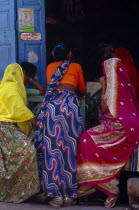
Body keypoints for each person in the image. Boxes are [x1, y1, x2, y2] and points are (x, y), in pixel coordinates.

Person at [77, 44, 139, 208]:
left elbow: (105, 107)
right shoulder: (126, 83)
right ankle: (104, 187)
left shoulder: (114, 84)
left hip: (119, 128)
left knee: (86, 138)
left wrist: (103, 86)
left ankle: (96, 185)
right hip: (127, 127)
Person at [34, 43, 86, 208]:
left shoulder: (50, 67)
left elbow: (50, 86)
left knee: (52, 150)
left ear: (53, 56)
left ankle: (55, 195)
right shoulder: (76, 66)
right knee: (70, 150)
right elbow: (82, 90)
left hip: (53, 108)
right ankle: (70, 194)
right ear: (69, 54)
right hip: (70, 107)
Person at [0, 63, 39, 203]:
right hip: (5, 127)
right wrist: (38, 124)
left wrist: (31, 81)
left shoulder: (8, 86)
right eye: (26, 78)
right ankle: (24, 191)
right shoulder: (11, 88)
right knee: (28, 150)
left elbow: (42, 91)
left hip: (8, 127)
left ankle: (19, 190)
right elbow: (20, 110)